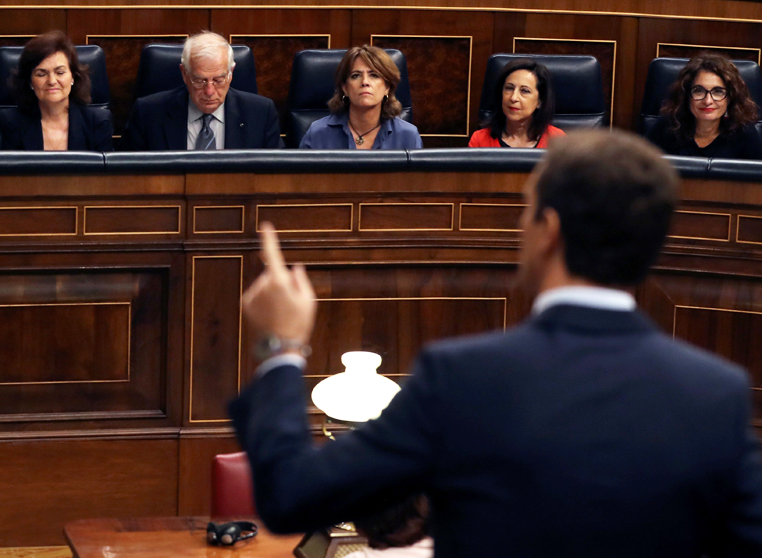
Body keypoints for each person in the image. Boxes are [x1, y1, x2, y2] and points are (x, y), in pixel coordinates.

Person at [231, 130, 762, 556]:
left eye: (525, 210)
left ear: (549, 230)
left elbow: (293, 495)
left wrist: (281, 348)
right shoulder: (716, 393)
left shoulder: (463, 378)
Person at [120, 31, 282, 151]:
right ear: (184, 73)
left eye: (218, 80)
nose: (210, 91)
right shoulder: (148, 114)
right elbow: (127, 177)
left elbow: (276, 176)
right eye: (200, 81)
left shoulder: (261, 114)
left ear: (231, 73)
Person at [0, 31, 113, 151]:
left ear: (73, 77)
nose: (52, 81)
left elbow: (105, 169)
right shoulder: (12, 122)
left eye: (60, 73)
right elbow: (13, 169)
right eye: (41, 74)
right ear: (30, 81)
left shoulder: (97, 122)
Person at [299, 46, 421, 150]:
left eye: (374, 75)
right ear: (345, 88)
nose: (365, 82)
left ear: (387, 88)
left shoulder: (408, 136)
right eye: (355, 76)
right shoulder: (318, 133)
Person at [646, 53, 762, 159]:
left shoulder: (745, 132)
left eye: (718, 91)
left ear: (730, 97)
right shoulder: (667, 127)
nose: (708, 101)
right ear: (686, 95)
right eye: (698, 91)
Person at [468, 59, 565, 148]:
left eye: (525, 91)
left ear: (540, 101)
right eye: (509, 88)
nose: (513, 98)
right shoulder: (480, 140)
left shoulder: (557, 140)